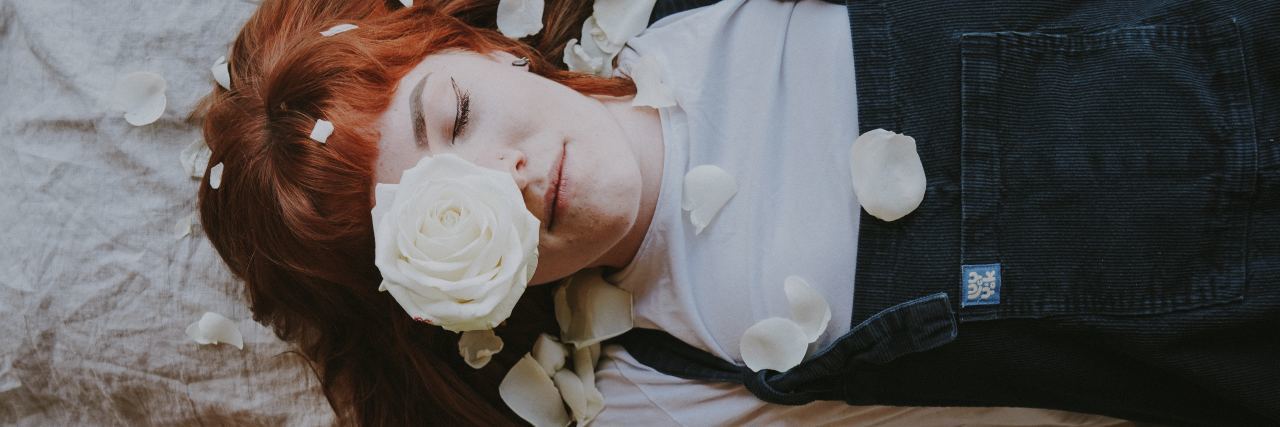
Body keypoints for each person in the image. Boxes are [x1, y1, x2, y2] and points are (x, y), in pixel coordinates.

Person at [196, 0, 1280, 425]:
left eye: (460, 113)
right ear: (437, 301)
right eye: (442, 211)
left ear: (479, 46)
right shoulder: (643, 382)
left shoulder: (688, 14)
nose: (508, 175)